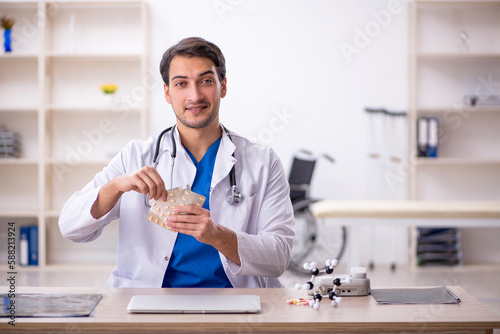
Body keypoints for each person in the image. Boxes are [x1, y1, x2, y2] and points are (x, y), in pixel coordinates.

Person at [59, 37, 295, 288]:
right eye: (181, 83)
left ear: (222, 87)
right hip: (149, 302)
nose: (194, 95)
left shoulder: (262, 161)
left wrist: (218, 236)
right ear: (167, 93)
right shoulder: (136, 157)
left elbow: (279, 256)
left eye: (205, 81)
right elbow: (71, 227)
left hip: (234, 304)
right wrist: (116, 187)